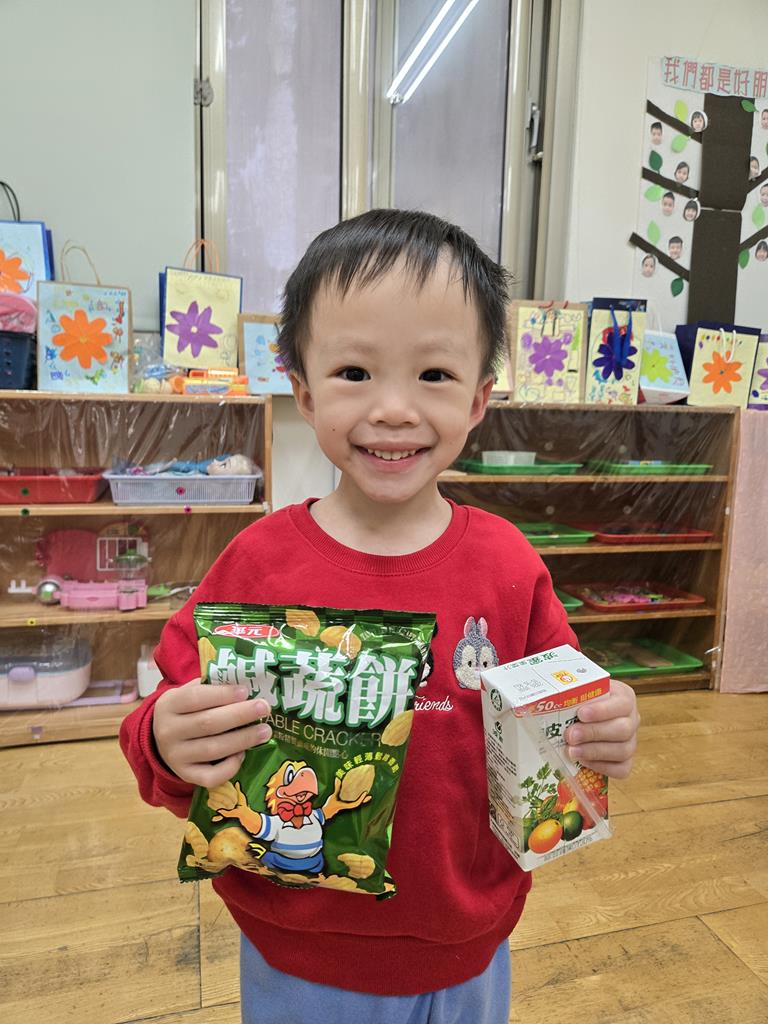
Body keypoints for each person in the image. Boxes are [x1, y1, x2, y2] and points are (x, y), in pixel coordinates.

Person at [119, 209, 640, 1024]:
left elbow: (570, 705)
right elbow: (160, 719)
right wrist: (163, 740)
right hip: (298, 950)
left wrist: (605, 724)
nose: (394, 409)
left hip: (470, 941)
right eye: (355, 372)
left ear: (479, 398)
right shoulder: (257, 563)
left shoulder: (508, 565)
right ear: (302, 389)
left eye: (434, 374)